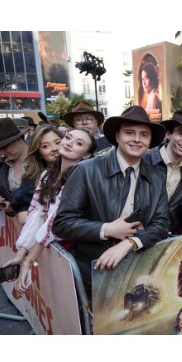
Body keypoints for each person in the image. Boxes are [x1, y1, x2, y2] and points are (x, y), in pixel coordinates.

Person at [53, 106, 173, 300]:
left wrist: (129, 243)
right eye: (129, 132)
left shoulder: (157, 174)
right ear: (117, 136)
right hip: (93, 272)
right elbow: (62, 224)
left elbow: (161, 224)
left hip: (137, 270)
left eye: (144, 135)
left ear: (150, 142)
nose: (136, 139)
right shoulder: (86, 170)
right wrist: (107, 229)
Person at [4, 126, 97, 289]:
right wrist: (20, 255)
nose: (69, 143)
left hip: (82, 251)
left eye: (79, 143)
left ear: (87, 154)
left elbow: (54, 222)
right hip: (63, 249)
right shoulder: (46, 175)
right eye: (68, 138)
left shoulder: (81, 178)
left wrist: (28, 260)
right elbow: (36, 213)